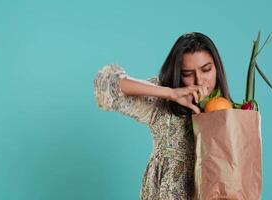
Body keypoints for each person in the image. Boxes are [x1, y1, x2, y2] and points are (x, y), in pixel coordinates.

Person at [93, 32, 233, 200]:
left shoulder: (230, 113)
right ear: (178, 73)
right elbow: (106, 83)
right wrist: (170, 93)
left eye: (206, 70)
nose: (199, 80)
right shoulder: (162, 103)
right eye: (188, 73)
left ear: (217, 68)